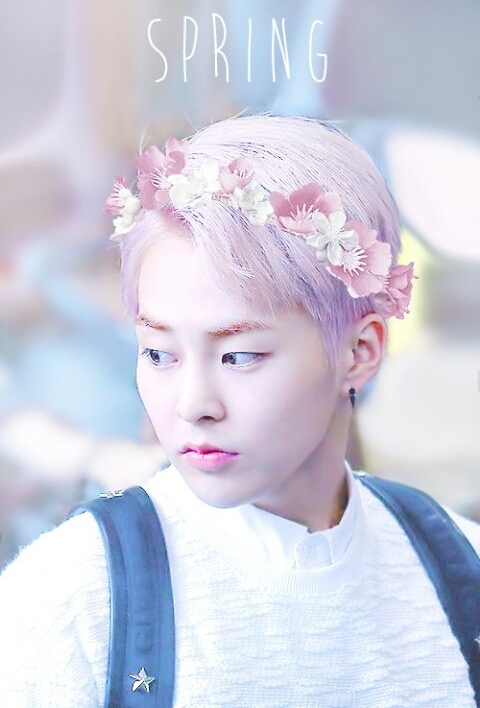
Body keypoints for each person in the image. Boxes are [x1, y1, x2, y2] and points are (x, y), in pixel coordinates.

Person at [0, 114, 478, 707]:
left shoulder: (461, 567)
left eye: (240, 355)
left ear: (359, 351)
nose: (192, 404)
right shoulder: (70, 601)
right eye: (159, 353)